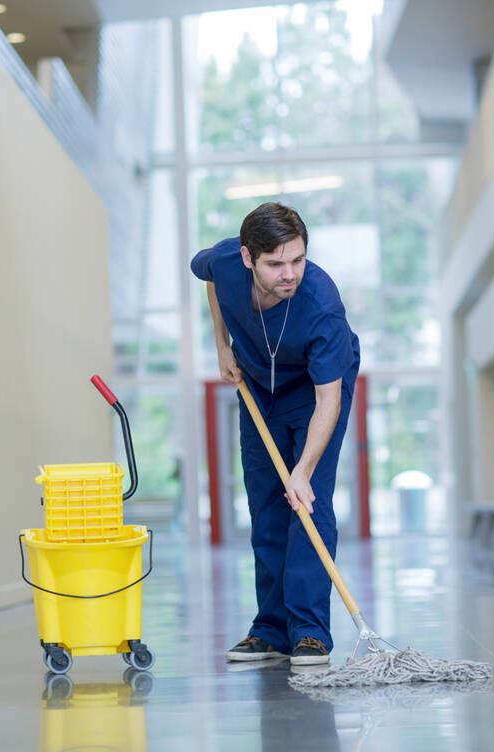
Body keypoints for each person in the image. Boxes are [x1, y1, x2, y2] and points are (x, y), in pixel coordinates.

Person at [190, 202, 359, 665]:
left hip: (313, 389)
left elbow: (330, 399)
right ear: (248, 258)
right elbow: (208, 280)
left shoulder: (322, 305)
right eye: (276, 263)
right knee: (264, 502)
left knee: (306, 499)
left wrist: (303, 471)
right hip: (258, 385)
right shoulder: (224, 262)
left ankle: (308, 631)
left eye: (298, 260)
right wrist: (221, 345)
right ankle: (270, 630)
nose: (290, 274)